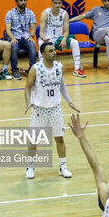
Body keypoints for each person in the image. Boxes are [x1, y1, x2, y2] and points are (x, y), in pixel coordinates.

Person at [24, 42, 81, 179]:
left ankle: (63, 167)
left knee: (59, 139)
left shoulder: (59, 67)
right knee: (33, 141)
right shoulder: (35, 69)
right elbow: (27, 87)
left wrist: (70, 101)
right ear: (43, 54)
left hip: (55, 109)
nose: (54, 52)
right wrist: (28, 102)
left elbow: (62, 86)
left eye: (54, 50)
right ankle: (30, 167)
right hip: (39, 110)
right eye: (50, 51)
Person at [38, 0, 86, 77]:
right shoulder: (45, 13)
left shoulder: (64, 14)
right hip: (47, 39)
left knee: (75, 42)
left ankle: (77, 69)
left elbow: (66, 31)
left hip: (59, 39)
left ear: (61, 3)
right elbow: (41, 32)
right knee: (40, 43)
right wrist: (44, 38)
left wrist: (64, 39)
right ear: (51, 3)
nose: (57, 5)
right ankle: (42, 69)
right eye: (55, 3)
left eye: (59, 3)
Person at [4, 0, 38, 80]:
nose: (23, 2)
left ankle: (32, 69)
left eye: (24, 0)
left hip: (26, 37)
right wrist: (12, 38)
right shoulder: (10, 13)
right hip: (15, 37)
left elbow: (33, 27)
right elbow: (8, 29)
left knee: (32, 45)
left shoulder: (30, 13)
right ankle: (15, 70)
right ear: (16, 2)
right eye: (21, 1)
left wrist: (31, 36)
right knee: (14, 47)